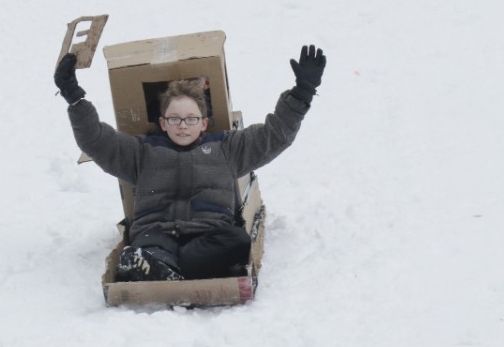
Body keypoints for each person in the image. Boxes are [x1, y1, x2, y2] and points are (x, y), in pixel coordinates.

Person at [54, 44, 326, 281]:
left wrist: (303, 92)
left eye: (191, 119)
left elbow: (274, 135)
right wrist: (74, 97)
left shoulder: (226, 148)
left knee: (238, 240)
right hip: (156, 232)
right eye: (174, 119)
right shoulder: (142, 152)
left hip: (207, 236)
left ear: (203, 123)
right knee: (144, 248)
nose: (182, 126)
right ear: (163, 122)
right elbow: (96, 140)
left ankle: (160, 268)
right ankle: (155, 262)